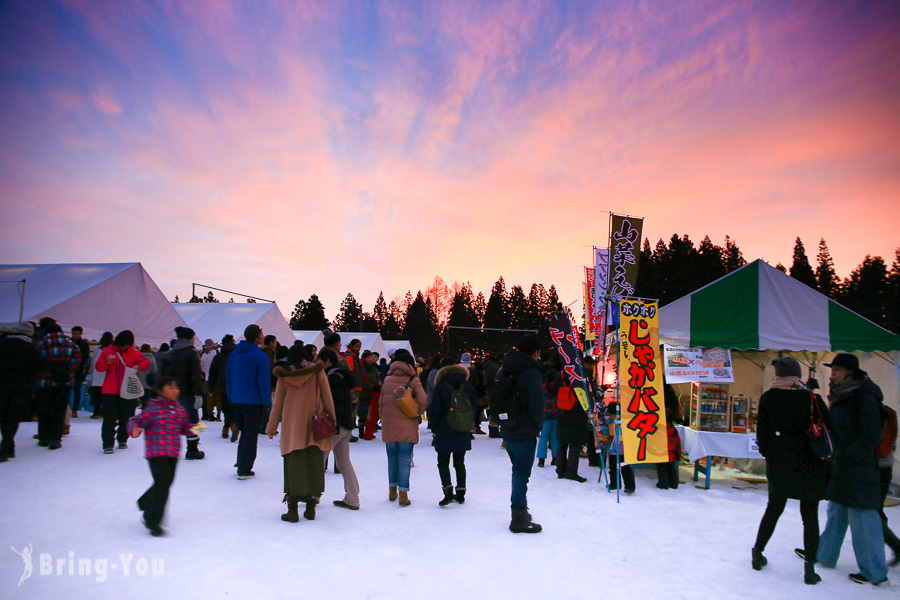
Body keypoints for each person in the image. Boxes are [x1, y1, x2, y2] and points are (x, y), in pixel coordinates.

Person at [802, 353, 888, 586]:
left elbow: (871, 433)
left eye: (837, 370)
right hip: (843, 462)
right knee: (836, 511)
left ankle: (875, 573)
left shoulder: (863, 395)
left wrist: (851, 454)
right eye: (833, 369)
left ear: (851, 372)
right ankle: (825, 555)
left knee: (863, 518)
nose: (833, 373)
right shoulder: (845, 393)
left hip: (859, 466)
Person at [751, 357, 830, 585]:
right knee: (809, 516)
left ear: (778, 376)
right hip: (810, 464)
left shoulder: (769, 397)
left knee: (774, 508)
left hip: (780, 464)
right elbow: (829, 427)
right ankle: (809, 569)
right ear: (798, 375)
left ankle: (758, 553)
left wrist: (772, 455)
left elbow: (762, 436)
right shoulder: (811, 398)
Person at [266, 344, 335, 522]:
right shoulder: (317, 372)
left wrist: (272, 427)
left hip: (292, 427)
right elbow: (327, 397)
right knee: (313, 464)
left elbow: (277, 404)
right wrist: (332, 421)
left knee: (293, 465)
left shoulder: (284, 376)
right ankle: (311, 508)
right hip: (314, 425)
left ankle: (293, 510)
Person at [127, 376, 196, 536]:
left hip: (173, 453)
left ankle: (145, 501)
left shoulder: (179, 410)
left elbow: (185, 428)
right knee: (163, 484)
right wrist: (134, 429)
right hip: (156, 452)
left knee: (164, 483)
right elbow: (135, 420)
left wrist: (199, 428)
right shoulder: (153, 408)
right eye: (170, 387)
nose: (174, 390)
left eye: (176, 387)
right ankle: (152, 520)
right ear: (160, 391)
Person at [498, 334, 545, 533]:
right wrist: (537, 426)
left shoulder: (505, 368)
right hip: (524, 430)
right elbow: (536, 403)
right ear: (535, 352)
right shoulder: (531, 372)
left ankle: (521, 512)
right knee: (520, 475)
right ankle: (518, 518)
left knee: (517, 471)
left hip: (508, 427)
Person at [427, 355, 477, 506]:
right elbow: (474, 406)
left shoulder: (441, 386)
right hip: (462, 427)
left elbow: (435, 409)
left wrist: (435, 427)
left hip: (444, 428)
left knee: (443, 462)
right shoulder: (467, 385)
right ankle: (461, 492)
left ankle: (448, 491)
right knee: (459, 462)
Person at [379, 349, 427, 506]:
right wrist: (416, 412)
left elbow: (380, 403)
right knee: (405, 459)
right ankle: (403, 494)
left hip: (389, 425)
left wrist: (383, 419)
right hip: (407, 424)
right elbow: (423, 400)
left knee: (391, 458)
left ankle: (392, 490)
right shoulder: (413, 380)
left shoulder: (387, 379)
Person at [226, 324, 271, 479]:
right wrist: (266, 404)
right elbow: (263, 383)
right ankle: (244, 468)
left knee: (245, 432)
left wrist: (231, 397)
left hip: (237, 400)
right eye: (262, 333)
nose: (264, 336)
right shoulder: (260, 357)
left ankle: (241, 461)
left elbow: (229, 379)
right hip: (253, 402)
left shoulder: (234, 355)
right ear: (256, 337)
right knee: (251, 435)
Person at [319, 347, 361, 511]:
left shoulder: (332, 378)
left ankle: (313, 496)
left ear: (327, 361)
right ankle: (353, 497)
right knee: (344, 462)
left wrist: (333, 428)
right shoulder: (343, 376)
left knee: (319, 460)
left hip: (335, 426)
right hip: (346, 425)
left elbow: (335, 404)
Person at [96, 330, 149, 453]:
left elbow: (145, 363)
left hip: (128, 390)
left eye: (127, 345)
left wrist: (138, 366)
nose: (125, 347)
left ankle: (122, 439)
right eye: (123, 345)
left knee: (126, 417)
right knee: (110, 417)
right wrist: (106, 363)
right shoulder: (108, 351)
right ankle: (108, 444)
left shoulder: (135, 353)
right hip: (110, 389)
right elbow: (98, 367)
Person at [158, 326, 206, 460]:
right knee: (192, 422)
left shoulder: (169, 353)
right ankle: (192, 450)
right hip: (187, 393)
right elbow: (196, 376)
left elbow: (162, 376)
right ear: (189, 338)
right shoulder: (191, 353)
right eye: (193, 337)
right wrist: (199, 394)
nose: (194, 339)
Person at [34, 319, 82, 450]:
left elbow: (37, 363)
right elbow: (76, 362)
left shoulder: (41, 344)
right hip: (64, 383)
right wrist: (66, 373)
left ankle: (44, 437)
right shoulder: (72, 345)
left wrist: (49, 373)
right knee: (59, 410)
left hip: (45, 383)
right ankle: (55, 439)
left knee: (44, 409)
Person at [0, 322, 42, 461]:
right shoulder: (30, 349)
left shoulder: (3, 344)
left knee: (3, 415)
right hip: (20, 388)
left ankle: (8, 445)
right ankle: (7, 445)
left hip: (2, 385)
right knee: (13, 417)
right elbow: (40, 367)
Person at [555, 370, 590, 483]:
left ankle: (560, 470)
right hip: (578, 414)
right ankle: (571, 471)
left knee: (562, 443)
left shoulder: (559, 375)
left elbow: (555, 390)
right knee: (575, 444)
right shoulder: (580, 374)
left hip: (562, 411)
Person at [208, 334, 237, 441]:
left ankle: (230, 427)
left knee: (225, 408)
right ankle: (228, 427)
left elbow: (212, 374)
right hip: (237, 386)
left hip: (223, 386)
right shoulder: (238, 354)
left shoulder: (218, 357)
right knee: (233, 408)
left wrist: (211, 388)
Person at [656, 381, 682, 490]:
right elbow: (678, 444)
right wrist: (678, 455)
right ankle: (674, 484)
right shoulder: (672, 429)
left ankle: (663, 484)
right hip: (672, 453)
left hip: (661, 452)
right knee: (672, 467)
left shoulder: (660, 429)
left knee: (661, 466)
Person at [536, 368, 559, 468]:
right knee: (555, 437)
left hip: (545, 416)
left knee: (543, 437)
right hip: (556, 415)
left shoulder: (542, 388)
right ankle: (555, 458)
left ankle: (541, 460)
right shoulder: (557, 388)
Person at [88, 332, 114, 419]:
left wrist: (91, 371)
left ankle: (96, 412)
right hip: (106, 375)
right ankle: (104, 412)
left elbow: (93, 361)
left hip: (96, 375)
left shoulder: (97, 348)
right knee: (106, 396)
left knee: (96, 396)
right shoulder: (112, 350)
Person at [69, 326, 90, 417]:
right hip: (69, 370)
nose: (74, 336)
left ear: (80, 334)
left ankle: (75, 409)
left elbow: (85, 357)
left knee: (77, 390)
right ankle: (69, 408)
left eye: (76, 334)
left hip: (78, 370)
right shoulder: (68, 343)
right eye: (73, 334)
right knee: (68, 390)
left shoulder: (84, 344)